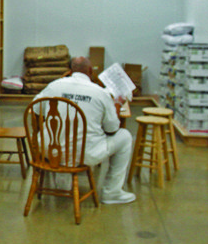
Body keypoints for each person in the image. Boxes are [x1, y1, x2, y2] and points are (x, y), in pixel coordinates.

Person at [32, 56, 135, 204]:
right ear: (90, 71)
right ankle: (112, 192)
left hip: (49, 151)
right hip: (84, 154)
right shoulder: (101, 93)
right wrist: (117, 104)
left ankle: (61, 180)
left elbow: (36, 110)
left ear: (70, 70)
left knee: (63, 137)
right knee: (124, 136)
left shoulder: (54, 86)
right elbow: (112, 129)